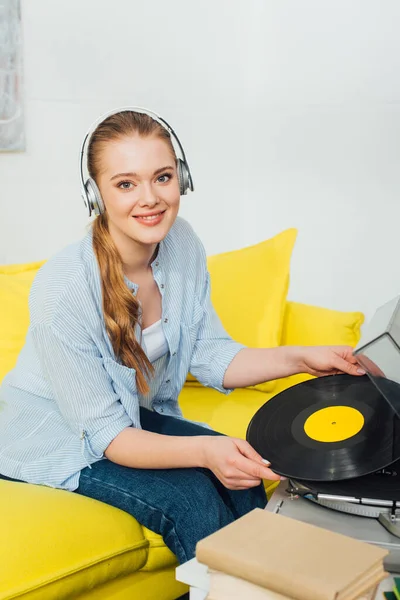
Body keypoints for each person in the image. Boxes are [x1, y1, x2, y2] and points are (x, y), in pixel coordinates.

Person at [0, 107, 364, 564]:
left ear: (182, 179)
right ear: (96, 195)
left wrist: (301, 358)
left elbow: (211, 354)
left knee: (246, 474)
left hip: (126, 418)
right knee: (194, 502)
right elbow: (108, 436)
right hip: (54, 438)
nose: (150, 198)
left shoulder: (182, 244)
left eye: (163, 177)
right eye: (126, 183)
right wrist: (206, 450)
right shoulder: (64, 288)